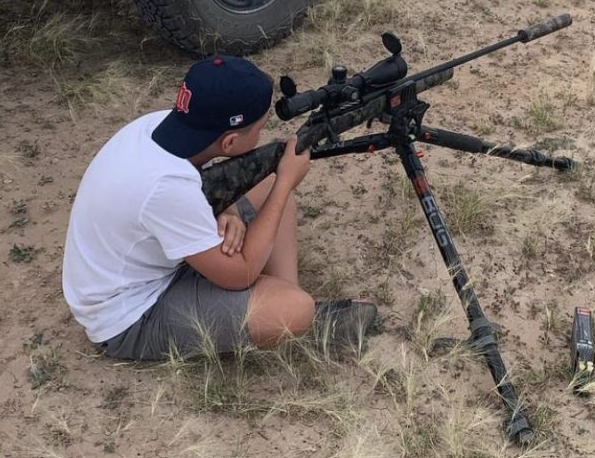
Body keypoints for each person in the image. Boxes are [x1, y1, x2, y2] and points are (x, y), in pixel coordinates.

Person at [62, 55, 377, 361]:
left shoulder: (156, 126)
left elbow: (203, 183)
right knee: (293, 306)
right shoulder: (166, 188)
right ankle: (294, 314)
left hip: (147, 260)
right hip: (129, 317)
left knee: (261, 183)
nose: (262, 135)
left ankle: (280, 295)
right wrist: (285, 183)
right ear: (229, 143)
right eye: (258, 129)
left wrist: (226, 211)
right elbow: (238, 275)